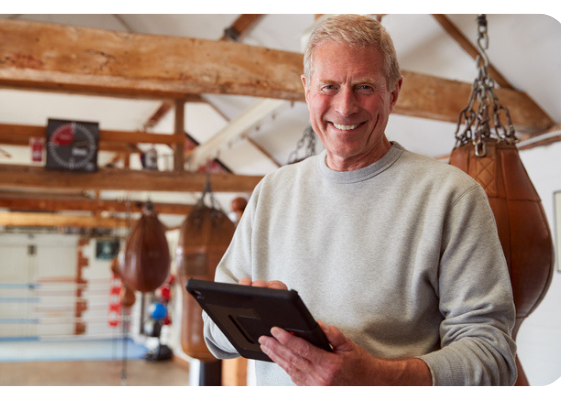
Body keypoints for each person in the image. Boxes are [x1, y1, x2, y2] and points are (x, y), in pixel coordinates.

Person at [202, 14, 518, 386]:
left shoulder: (451, 196)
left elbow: (493, 353)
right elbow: (214, 335)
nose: (346, 106)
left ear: (394, 92)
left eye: (365, 87)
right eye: (329, 86)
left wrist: (375, 377)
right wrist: (250, 315)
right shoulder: (271, 193)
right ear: (307, 90)